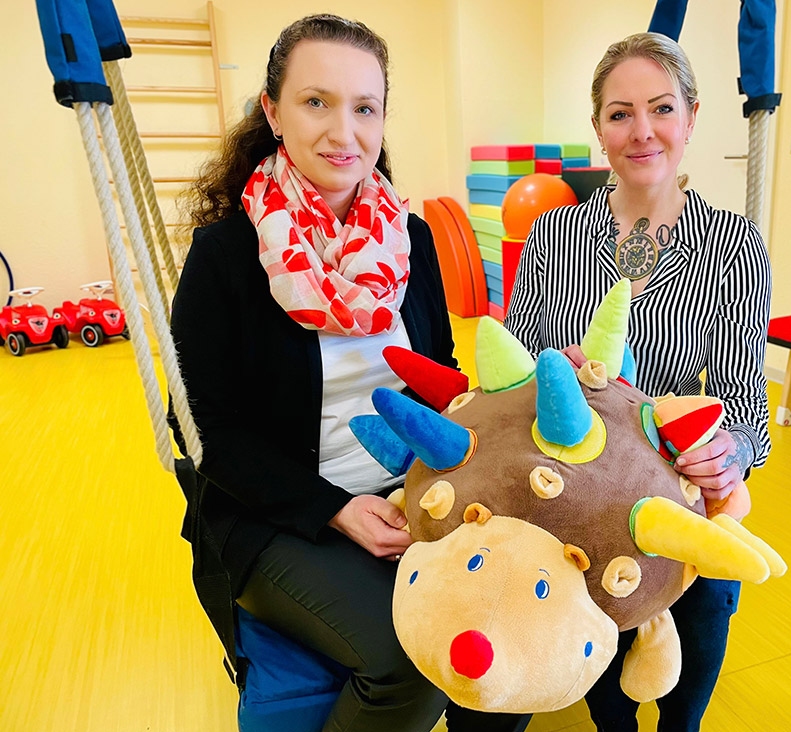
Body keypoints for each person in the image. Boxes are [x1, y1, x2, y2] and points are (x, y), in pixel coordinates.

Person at [172, 14, 526, 732]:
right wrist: (334, 508)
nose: (344, 132)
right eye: (316, 102)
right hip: (281, 515)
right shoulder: (226, 256)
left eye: (365, 108)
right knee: (412, 662)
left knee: (511, 630)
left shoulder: (411, 237)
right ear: (273, 112)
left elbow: (440, 373)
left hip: (417, 489)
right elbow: (206, 432)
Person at [504, 32, 772, 732]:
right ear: (598, 128)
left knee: (710, 594)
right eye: (620, 113)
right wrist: (548, 376)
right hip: (576, 487)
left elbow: (746, 405)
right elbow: (511, 381)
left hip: (677, 486)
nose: (642, 130)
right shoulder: (551, 235)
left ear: (691, 117)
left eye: (661, 108)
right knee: (605, 662)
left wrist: (732, 453)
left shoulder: (734, 244)